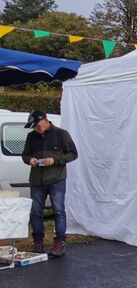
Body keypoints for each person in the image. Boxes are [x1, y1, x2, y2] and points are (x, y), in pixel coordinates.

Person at [21, 110, 78, 257]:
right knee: (35, 212)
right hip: (36, 180)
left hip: (56, 179)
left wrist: (55, 160)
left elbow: (73, 154)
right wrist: (30, 160)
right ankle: (38, 242)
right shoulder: (31, 136)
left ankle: (60, 242)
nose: (36, 129)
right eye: (34, 127)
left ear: (46, 120)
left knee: (58, 210)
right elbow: (25, 155)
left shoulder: (61, 134)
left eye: (37, 125)